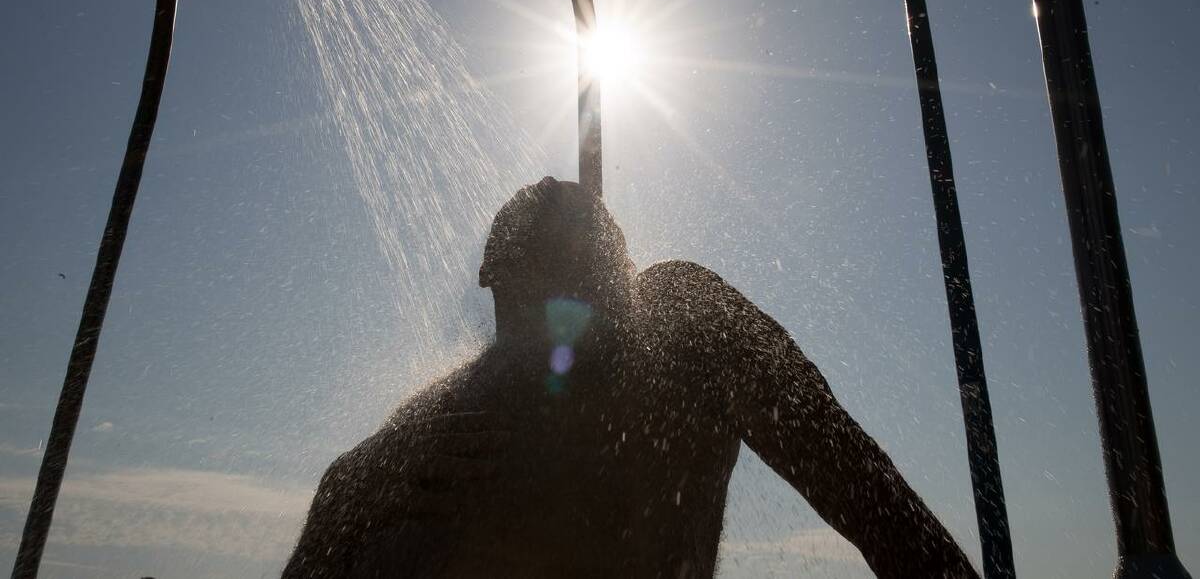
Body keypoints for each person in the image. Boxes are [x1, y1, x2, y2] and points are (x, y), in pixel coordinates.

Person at [283, 177, 979, 578]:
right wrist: (370, 476)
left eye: (568, 289)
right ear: (497, 294)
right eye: (518, 306)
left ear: (618, 271)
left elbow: (865, 490)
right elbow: (336, 501)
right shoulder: (452, 407)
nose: (542, 326)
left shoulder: (685, 322)